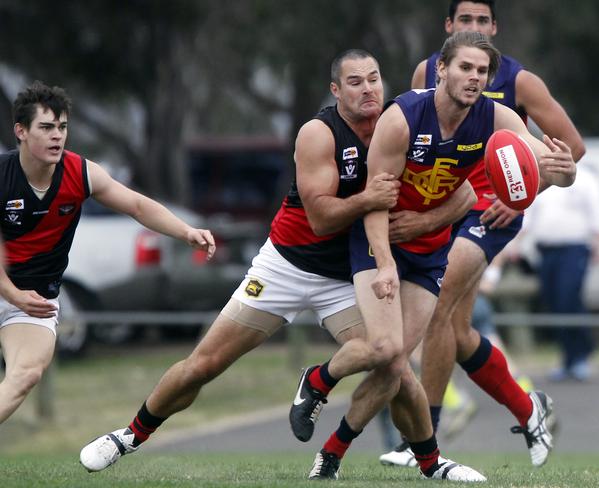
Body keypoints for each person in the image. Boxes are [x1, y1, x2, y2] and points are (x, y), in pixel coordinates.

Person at [78, 50, 472, 476]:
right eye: (355, 82)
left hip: (346, 276)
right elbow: (321, 220)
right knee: (205, 364)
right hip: (287, 265)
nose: (368, 89)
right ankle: (130, 435)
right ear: (335, 90)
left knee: (394, 364)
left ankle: (431, 464)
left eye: (374, 79)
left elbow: (462, 189)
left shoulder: (401, 125)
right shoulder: (319, 133)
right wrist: (367, 200)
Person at [290, 31, 576, 481]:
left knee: (395, 364)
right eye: (465, 67)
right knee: (385, 349)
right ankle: (320, 383)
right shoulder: (402, 118)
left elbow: (540, 161)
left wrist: (565, 172)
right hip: (379, 238)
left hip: (429, 253)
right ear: (441, 68)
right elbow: (375, 201)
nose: (474, 78)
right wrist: (383, 263)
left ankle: (332, 454)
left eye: (482, 71)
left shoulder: (496, 117)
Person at [379, 0, 585, 468]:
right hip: (444, 205)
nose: (474, 28)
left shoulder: (519, 81)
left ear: (495, 27)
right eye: (465, 21)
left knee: (438, 304)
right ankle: (529, 409)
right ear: (448, 27)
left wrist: (521, 189)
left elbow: (570, 148)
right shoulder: (426, 72)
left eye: (482, 21)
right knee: (457, 329)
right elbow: (417, 141)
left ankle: (421, 443)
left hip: (491, 214)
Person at [0, 81, 216, 425]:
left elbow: (136, 205)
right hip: (9, 289)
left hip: (34, 300)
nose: (57, 136)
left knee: (26, 374)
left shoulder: (80, 173)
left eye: (62, 127)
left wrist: (185, 231)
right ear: (21, 131)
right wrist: (13, 294)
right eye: (46, 127)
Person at [523, 165, 599, 381]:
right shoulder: (541, 176)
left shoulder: (586, 179)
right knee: (554, 302)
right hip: (546, 251)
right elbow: (528, 216)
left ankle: (582, 354)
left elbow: (597, 214)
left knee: (568, 299)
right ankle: (567, 357)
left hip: (574, 249)